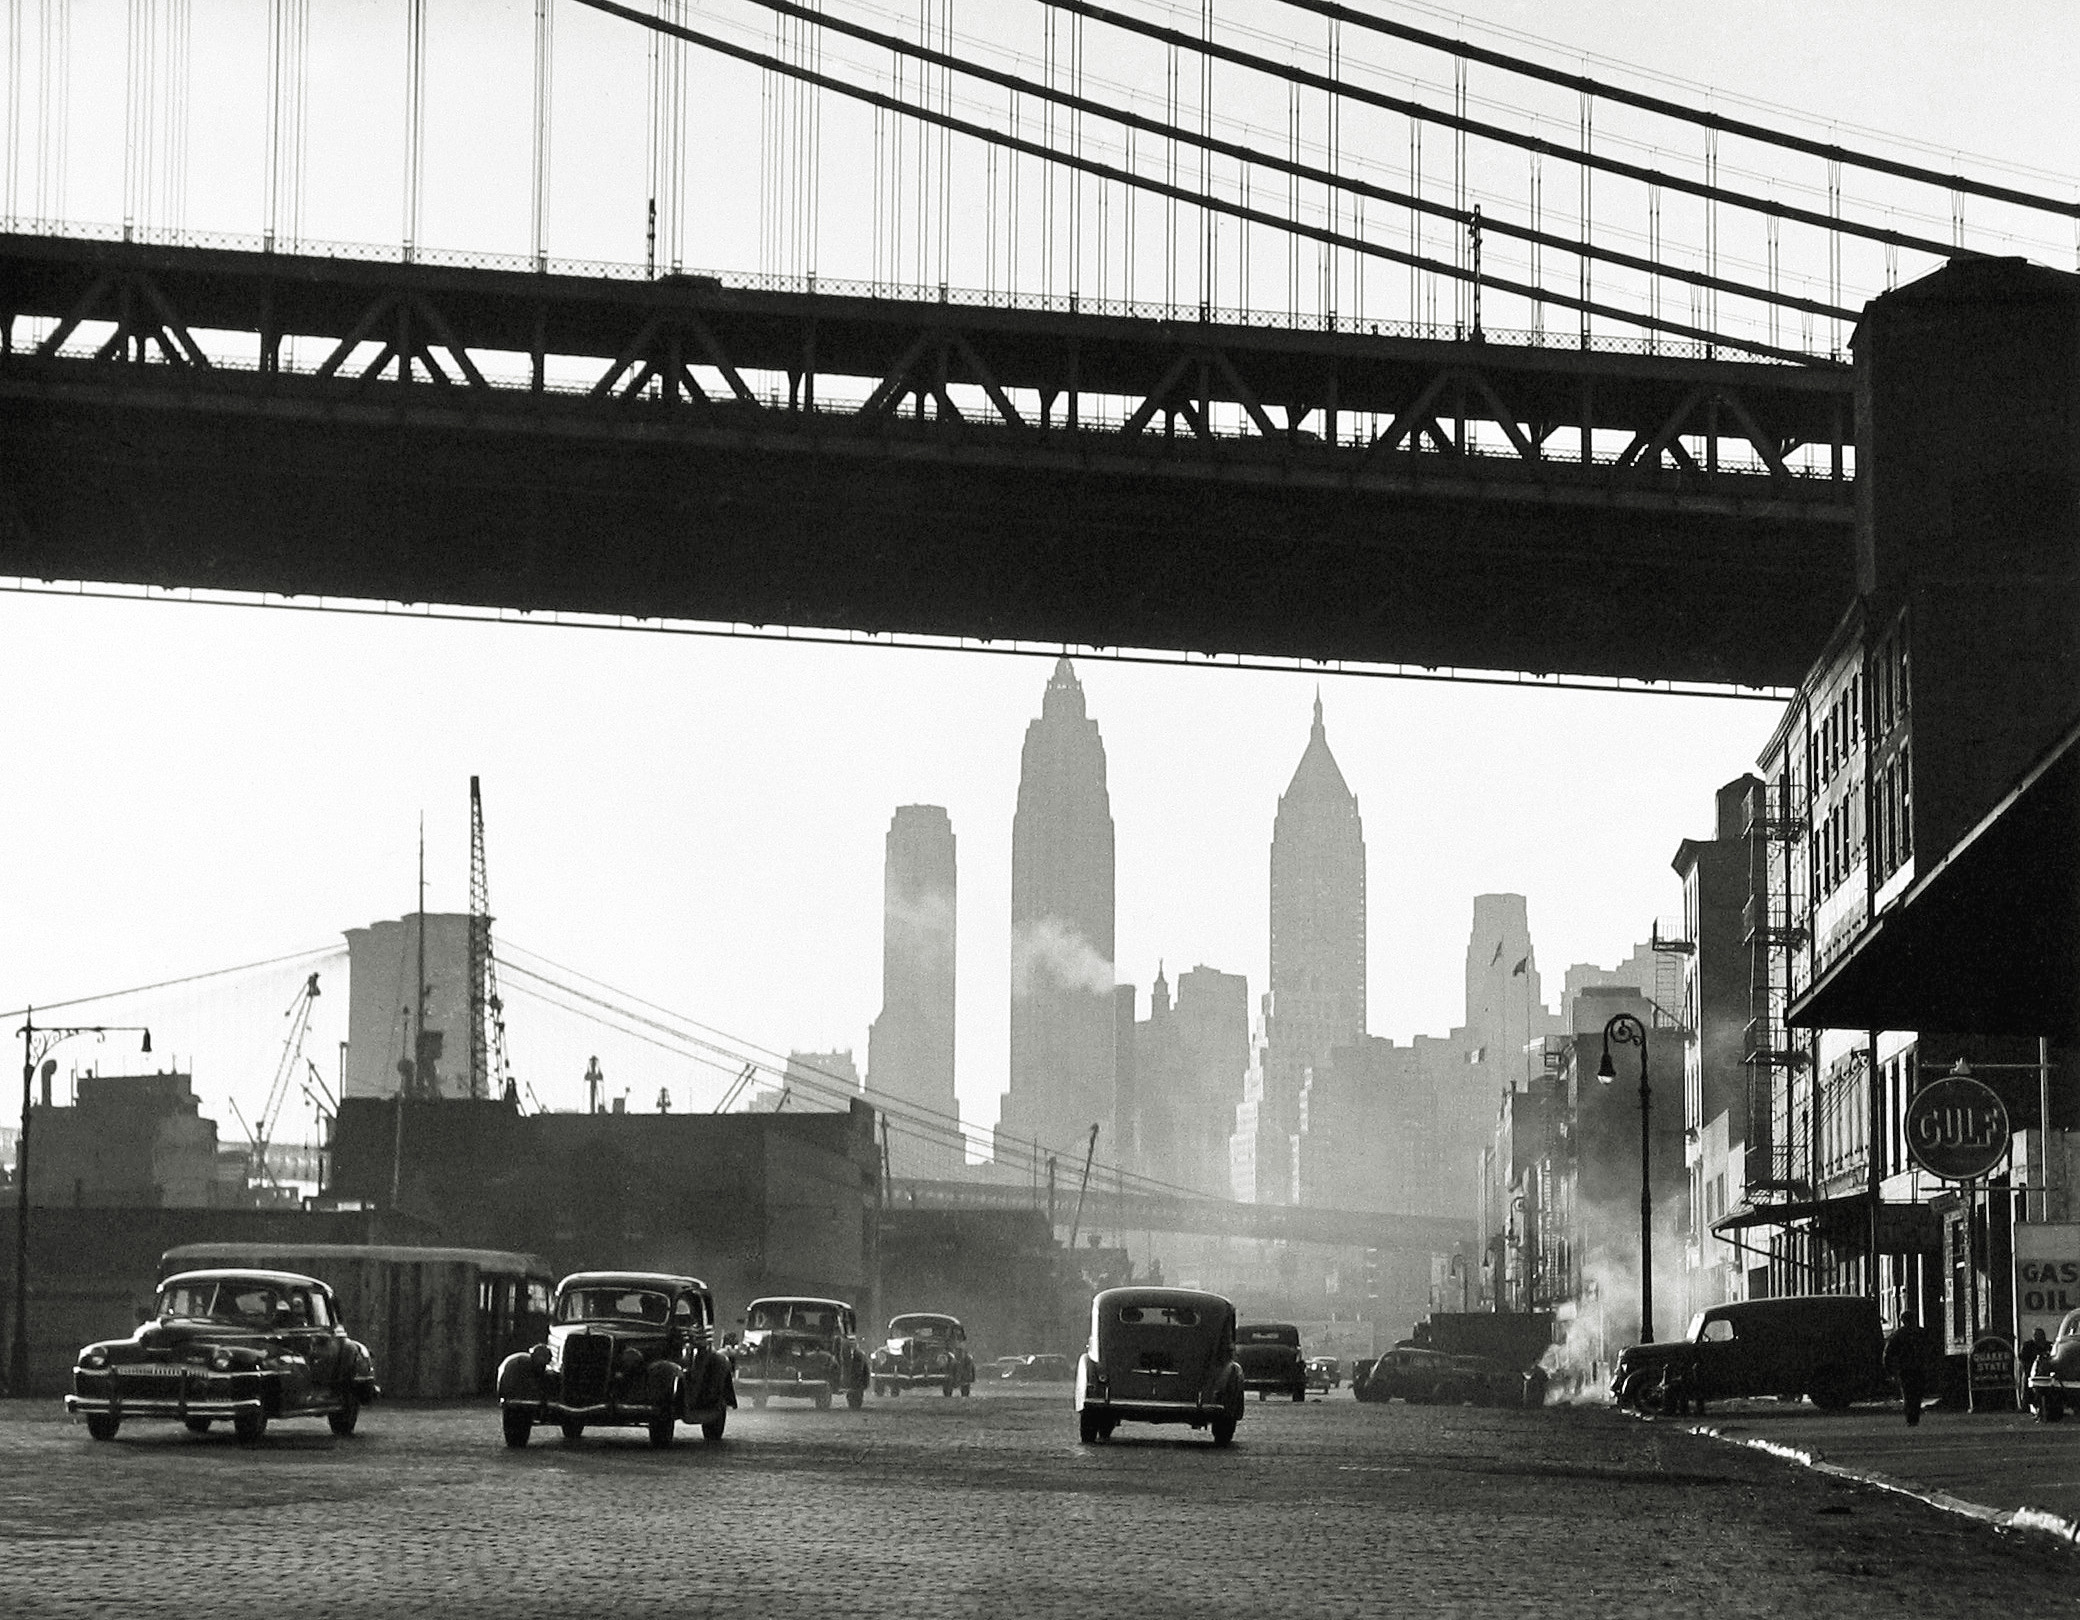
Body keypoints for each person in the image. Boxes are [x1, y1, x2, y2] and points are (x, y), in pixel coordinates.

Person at [1884, 1314, 1931, 1426]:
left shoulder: (1898, 1335)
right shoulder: (1922, 1333)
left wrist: (1890, 1370)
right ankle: (1915, 1415)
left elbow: (1888, 1353)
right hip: (1919, 1367)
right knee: (1918, 1393)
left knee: (1908, 1393)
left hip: (1905, 1368)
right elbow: (1931, 1349)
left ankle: (1911, 1417)